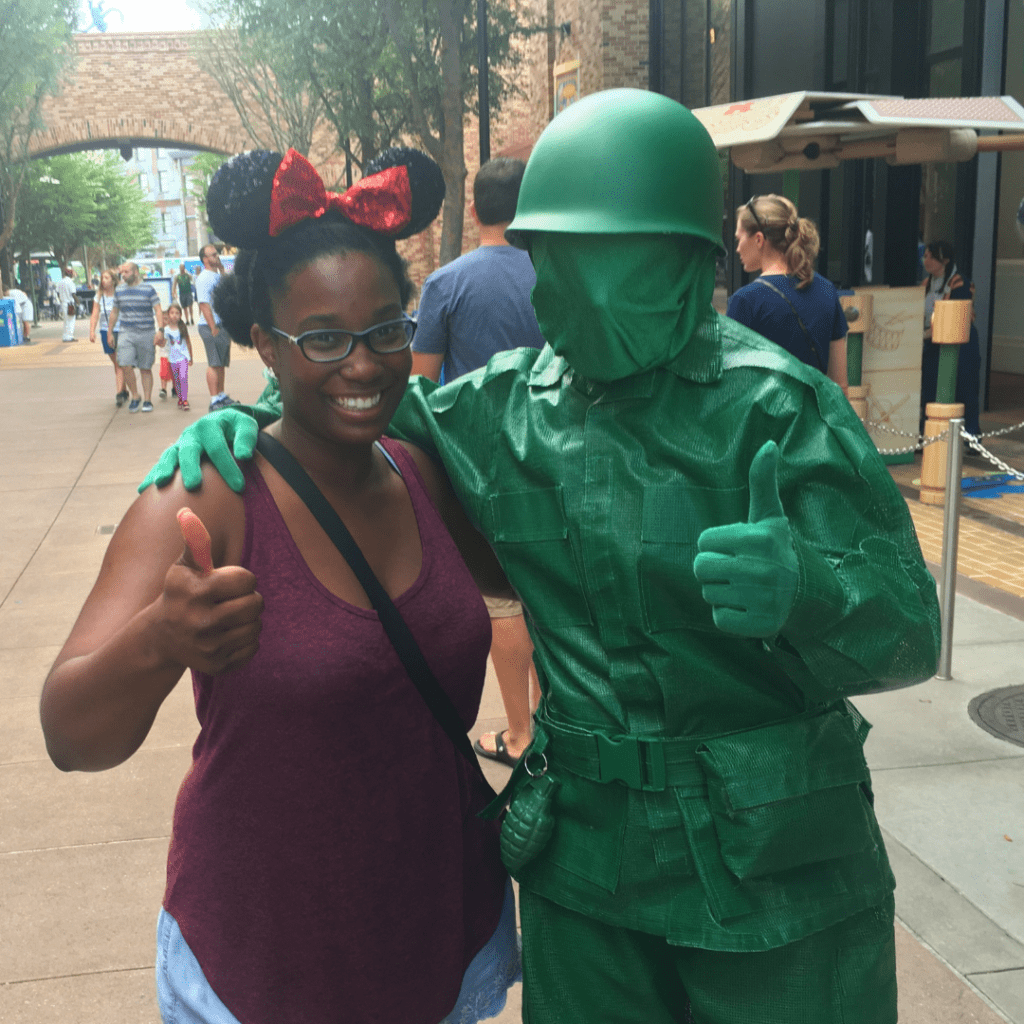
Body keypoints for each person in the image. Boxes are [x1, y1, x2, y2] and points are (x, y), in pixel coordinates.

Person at [142, 90, 941, 1024]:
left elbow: (911, 633)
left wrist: (805, 590)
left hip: (773, 877)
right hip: (589, 875)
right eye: (546, 259)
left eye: (594, 260)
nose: (556, 290)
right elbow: (354, 400)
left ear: (685, 262)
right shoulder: (508, 407)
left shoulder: (781, 410)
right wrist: (243, 423)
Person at [40, 146, 520, 1024]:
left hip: (434, 931)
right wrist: (161, 640)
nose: (366, 365)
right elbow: (69, 733)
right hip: (264, 958)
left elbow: (526, 581)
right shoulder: (207, 495)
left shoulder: (423, 469)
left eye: (385, 329)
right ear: (264, 343)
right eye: (324, 338)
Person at [411, 156, 545, 767]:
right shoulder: (554, 275)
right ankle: (557, 727)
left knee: (500, 600)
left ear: (475, 211)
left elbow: (422, 387)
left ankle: (520, 734)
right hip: (554, 454)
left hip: (480, 463)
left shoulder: (446, 284)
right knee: (552, 592)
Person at [728, 194, 849, 390]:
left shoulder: (745, 301)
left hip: (768, 420)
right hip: (815, 418)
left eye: (739, 239)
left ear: (759, 239)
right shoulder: (827, 290)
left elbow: (734, 387)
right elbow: (840, 385)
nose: (737, 249)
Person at [920, 238, 981, 437]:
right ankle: (930, 434)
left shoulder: (960, 282)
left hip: (961, 345)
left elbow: (957, 315)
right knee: (929, 390)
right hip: (932, 345)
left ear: (944, 259)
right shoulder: (925, 284)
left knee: (965, 391)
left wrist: (928, 333)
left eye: (930, 256)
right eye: (925, 256)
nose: (925, 260)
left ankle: (971, 436)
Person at [108, 262, 163, 413]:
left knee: (145, 368)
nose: (123, 275)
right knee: (124, 364)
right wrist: (109, 332)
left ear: (135, 272)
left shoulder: (148, 289)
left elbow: (158, 309)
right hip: (126, 332)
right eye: (122, 272)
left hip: (146, 332)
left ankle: (147, 400)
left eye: (126, 272)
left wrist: (161, 330)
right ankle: (135, 396)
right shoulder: (119, 290)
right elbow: (114, 312)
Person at [195, 244, 237, 411]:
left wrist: (221, 269)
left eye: (217, 254)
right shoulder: (203, 278)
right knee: (214, 363)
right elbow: (204, 305)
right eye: (213, 255)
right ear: (205, 259)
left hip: (221, 324)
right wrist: (213, 327)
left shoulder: (216, 276)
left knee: (221, 363)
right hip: (211, 325)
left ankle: (221, 394)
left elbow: (227, 288)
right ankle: (214, 399)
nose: (217, 256)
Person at [88, 268, 128, 406]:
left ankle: (119, 394)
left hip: (121, 329)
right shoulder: (99, 295)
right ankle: (123, 388)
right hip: (105, 330)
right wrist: (92, 331)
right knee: (116, 362)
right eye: (102, 278)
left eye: (106, 278)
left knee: (118, 362)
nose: (103, 281)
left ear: (113, 280)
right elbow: (95, 313)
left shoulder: (120, 293)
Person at [159, 302, 193, 410]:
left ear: (180, 315)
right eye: (172, 313)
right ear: (168, 315)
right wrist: (157, 341)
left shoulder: (182, 328)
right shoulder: (166, 330)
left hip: (183, 357)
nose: (174, 315)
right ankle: (180, 398)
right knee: (177, 380)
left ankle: (185, 400)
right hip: (172, 359)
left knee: (183, 378)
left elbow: (188, 342)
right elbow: (164, 343)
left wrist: (190, 357)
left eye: (177, 313)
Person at [56, 267, 78, 343]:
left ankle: (65, 336)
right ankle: (69, 336)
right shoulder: (70, 283)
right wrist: (78, 302)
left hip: (63, 303)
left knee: (66, 320)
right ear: (70, 274)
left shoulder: (60, 282)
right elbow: (73, 294)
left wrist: (61, 300)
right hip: (70, 303)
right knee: (71, 320)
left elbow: (58, 293)